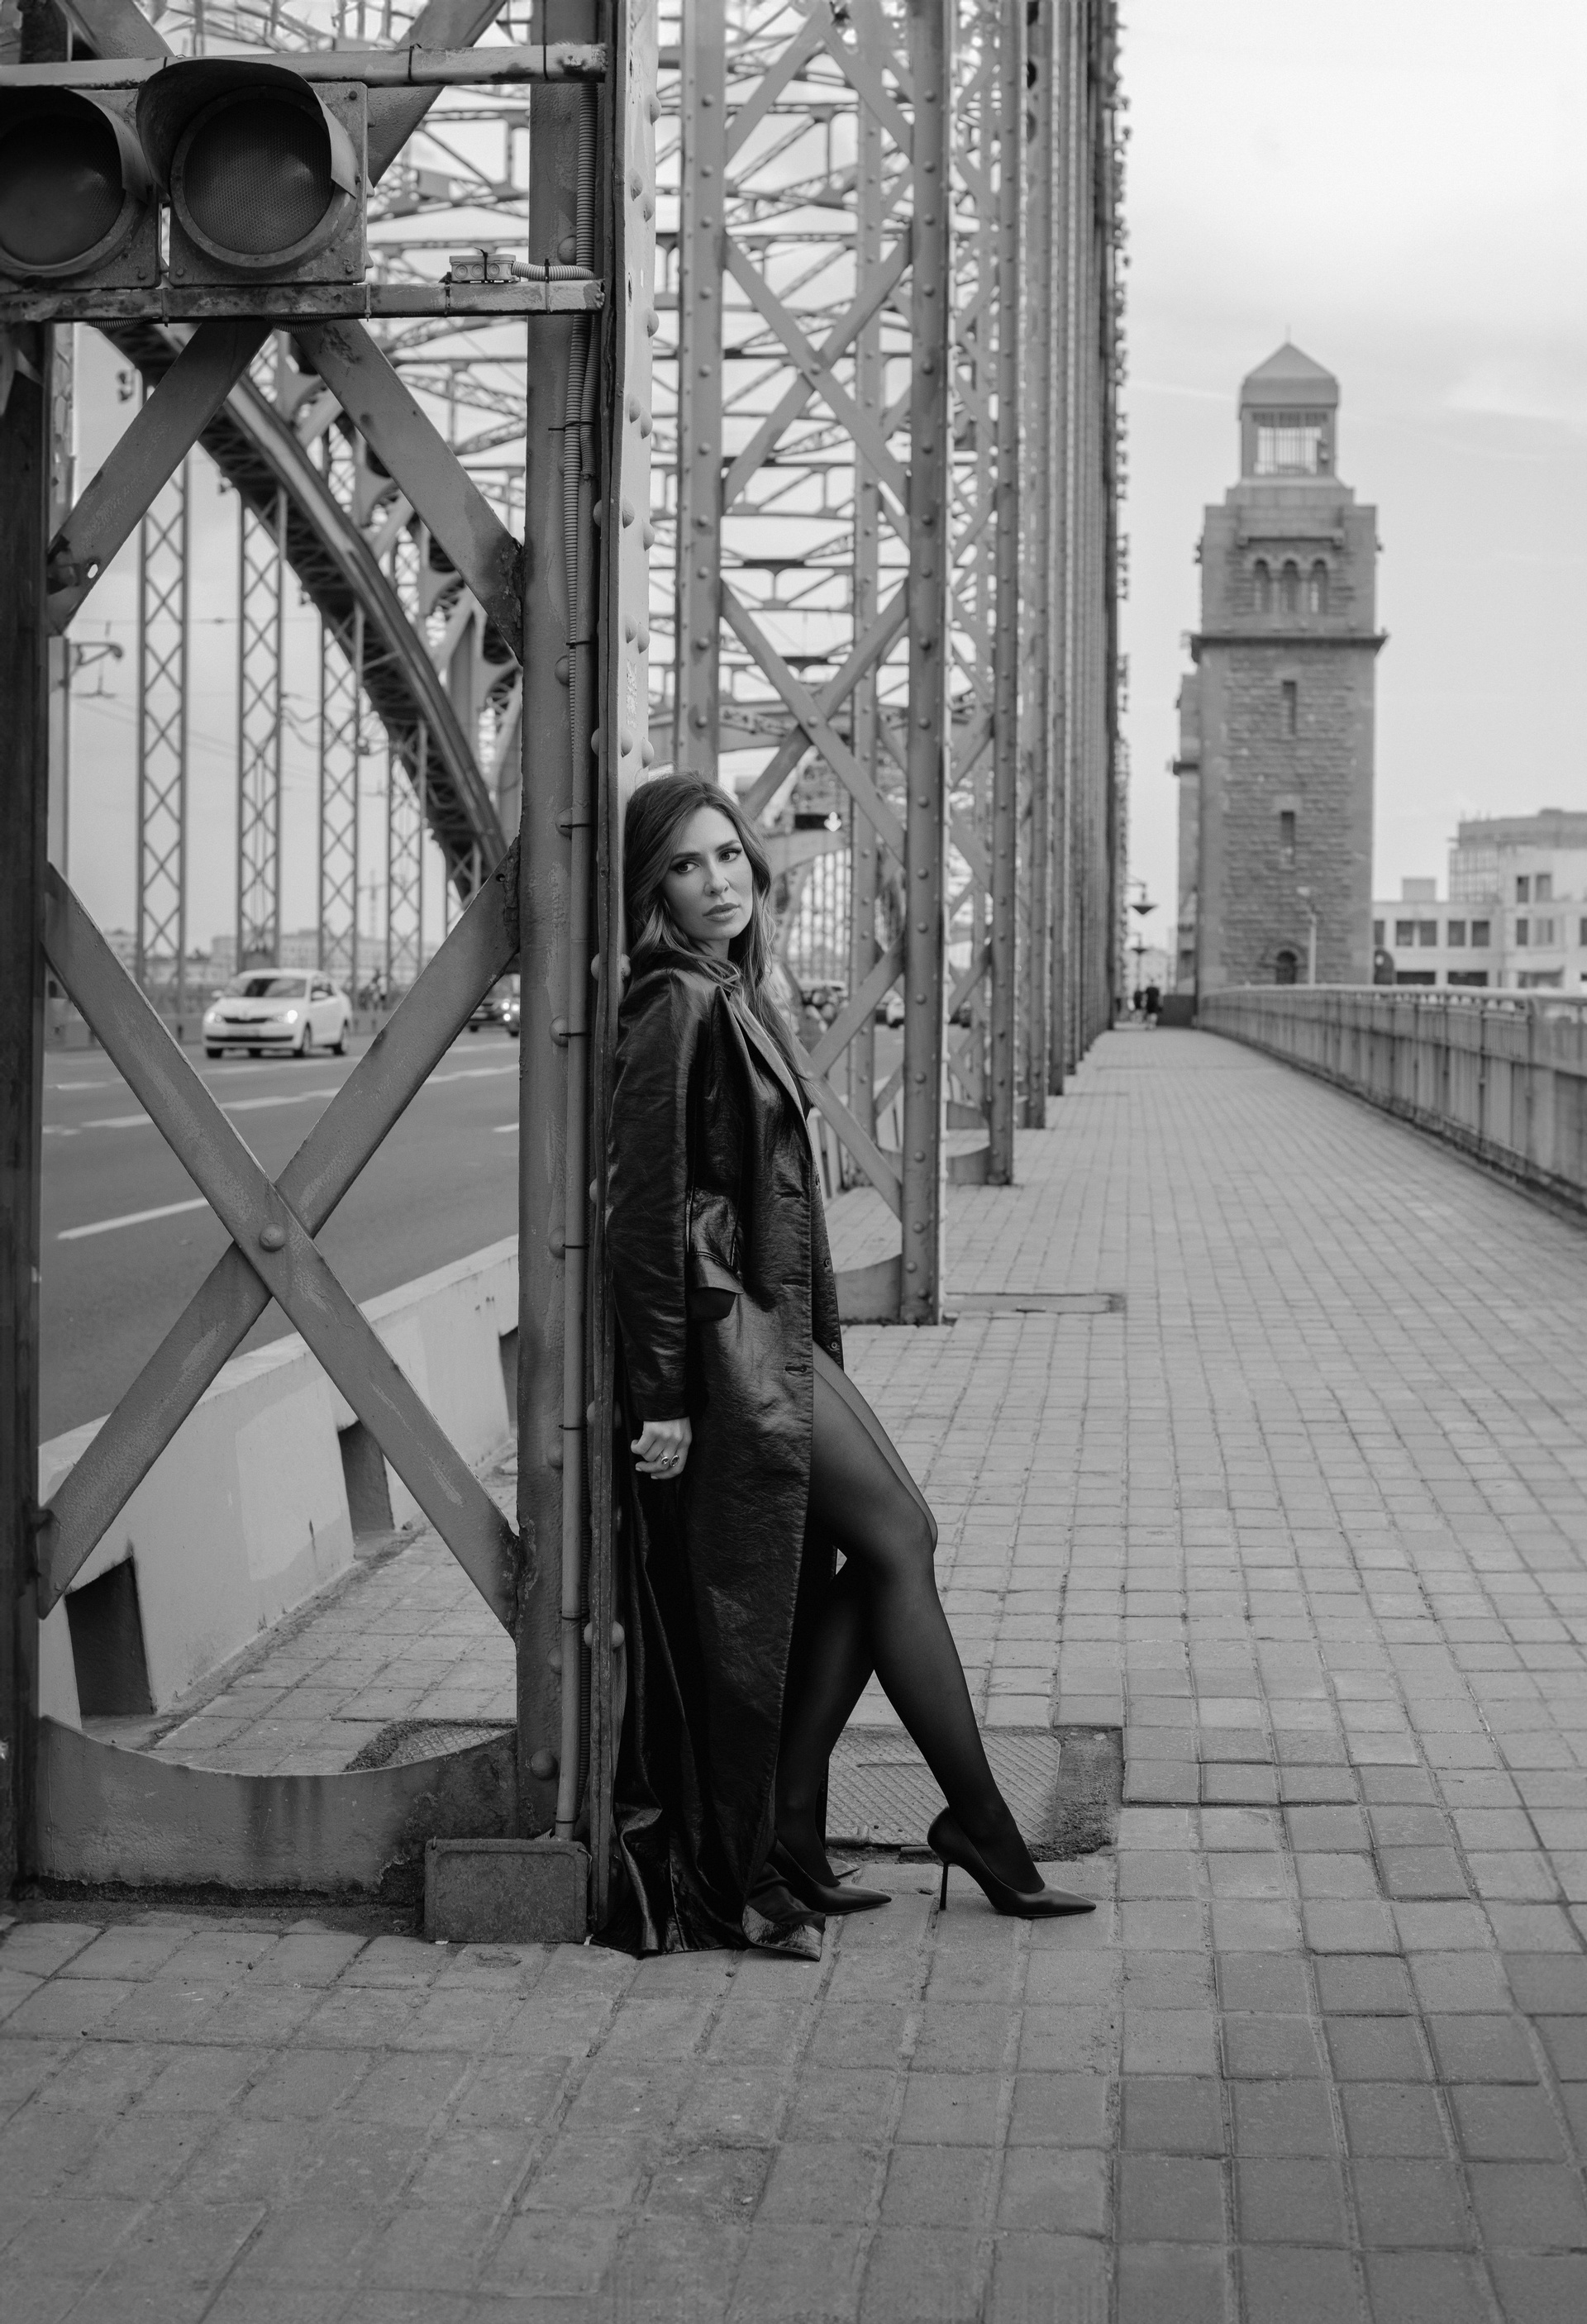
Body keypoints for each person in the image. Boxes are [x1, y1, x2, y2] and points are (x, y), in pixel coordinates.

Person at [605, 772, 1094, 1957]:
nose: (717, 882)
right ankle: (976, 1827)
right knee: (898, 1539)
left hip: (761, 1335)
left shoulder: (730, 988)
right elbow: (642, 1211)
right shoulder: (672, 999)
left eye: (730, 855)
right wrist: (663, 1395)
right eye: (685, 865)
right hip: (728, 1347)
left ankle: (793, 1826)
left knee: (871, 1555)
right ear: (652, 889)